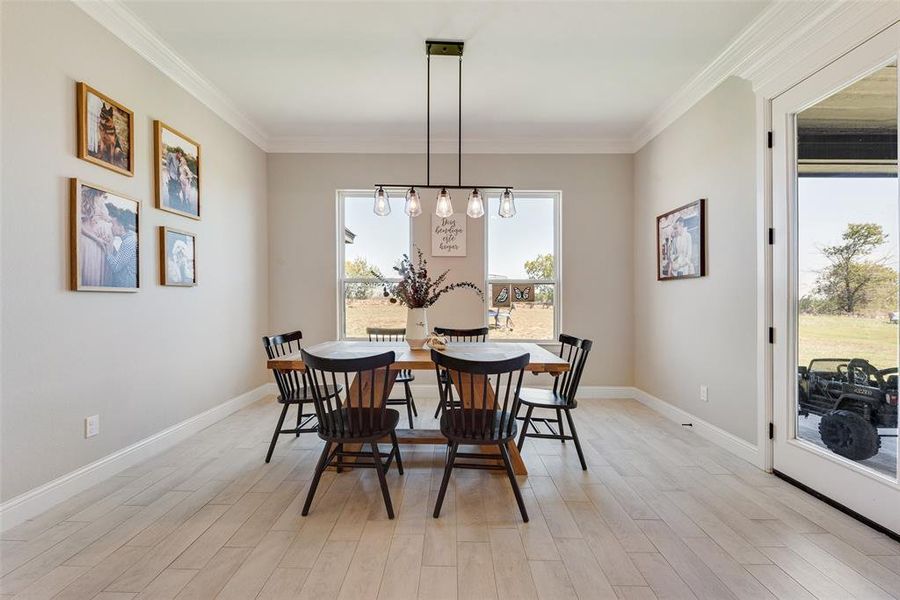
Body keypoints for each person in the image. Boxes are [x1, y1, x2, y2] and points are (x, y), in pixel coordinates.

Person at [104, 204, 138, 288]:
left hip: (126, 285)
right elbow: (123, 260)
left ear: (121, 226)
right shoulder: (131, 239)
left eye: (113, 224)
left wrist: (107, 251)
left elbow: (116, 267)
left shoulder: (128, 242)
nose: (111, 227)